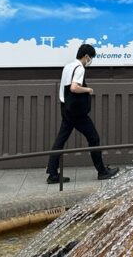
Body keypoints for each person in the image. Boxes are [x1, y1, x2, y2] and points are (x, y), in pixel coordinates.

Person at [46, 44, 119, 183]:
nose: (90, 61)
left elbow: (64, 89)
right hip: (76, 113)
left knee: (60, 141)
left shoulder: (68, 66)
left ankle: (52, 174)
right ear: (86, 56)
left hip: (65, 108)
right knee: (94, 138)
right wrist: (88, 90)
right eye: (90, 58)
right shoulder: (79, 68)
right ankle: (102, 172)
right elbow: (74, 88)